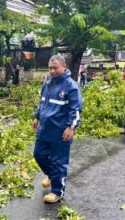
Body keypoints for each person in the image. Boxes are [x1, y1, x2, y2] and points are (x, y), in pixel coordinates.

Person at [32, 55, 83, 203]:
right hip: (45, 129)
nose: (52, 71)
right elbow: (42, 103)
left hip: (61, 131)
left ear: (64, 67)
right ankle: (51, 175)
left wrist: (71, 127)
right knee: (38, 154)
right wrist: (37, 117)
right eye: (50, 68)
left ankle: (57, 192)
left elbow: (76, 109)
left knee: (58, 161)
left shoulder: (71, 86)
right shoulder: (47, 84)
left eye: (56, 68)